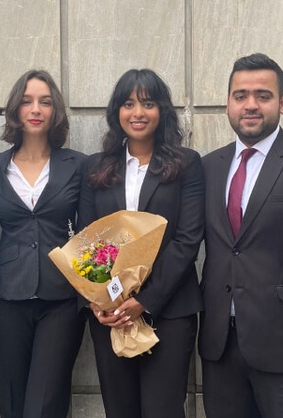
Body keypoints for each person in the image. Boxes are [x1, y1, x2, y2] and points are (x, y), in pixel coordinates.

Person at [78, 68, 205, 418]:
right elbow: (87, 241)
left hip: (170, 310)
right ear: (116, 111)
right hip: (110, 314)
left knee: (162, 409)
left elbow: (188, 239)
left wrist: (144, 301)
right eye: (129, 103)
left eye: (148, 103)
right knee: (120, 410)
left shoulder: (186, 165)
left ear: (161, 110)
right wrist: (98, 301)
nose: (137, 113)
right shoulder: (96, 168)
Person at [199, 53, 283, 418]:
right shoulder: (207, 167)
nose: (250, 105)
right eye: (240, 95)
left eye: (263, 95)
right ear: (228, 105)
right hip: (221, 346)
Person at [0, 69, 86, 418]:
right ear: (15, 110)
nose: (35, 108)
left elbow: (89, 230)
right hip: (6, 297)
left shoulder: (77, 166)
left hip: (62, 299)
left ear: (55, 110)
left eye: (44, 101)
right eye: (26, 101)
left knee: (45, 402)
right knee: (12, 399)